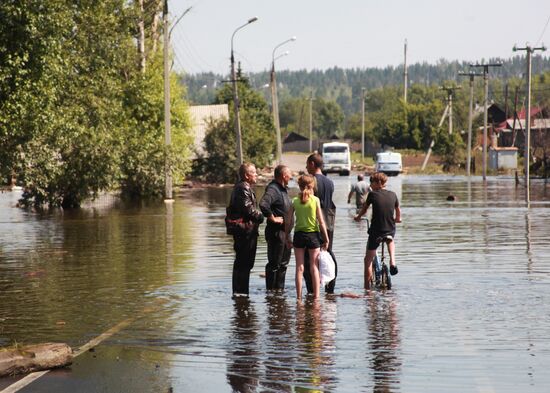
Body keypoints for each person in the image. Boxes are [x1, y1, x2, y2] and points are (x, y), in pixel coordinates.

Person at [354, 172, 401, 289]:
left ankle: (367, 288)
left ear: (378, 183)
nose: (370, 185)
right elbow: (398, 210)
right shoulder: (393, 194)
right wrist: (398, 219)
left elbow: (364, 210)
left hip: (376, 230)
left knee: (368, 259)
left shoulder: (372, 195)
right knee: (390, 239)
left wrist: (358, 217)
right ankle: (393, 262)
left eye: (372, 183)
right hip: (390, 228)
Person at [285, 174, 329, 299]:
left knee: (299, 268)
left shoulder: (294, 201)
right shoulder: (315, 200)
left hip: (299, 235)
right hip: (313, 236)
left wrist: (287, 236)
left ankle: (298, 298)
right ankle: (316, 297)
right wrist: (326, 239)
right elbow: (321, 221)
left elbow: (288, 221)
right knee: (314, 267)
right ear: (312, 186)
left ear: (299, 186)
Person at [227, 162, 264, 296]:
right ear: (247, 175)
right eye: (254, 172)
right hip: (244, 232)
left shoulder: (243, 187)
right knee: (244, 263)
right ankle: (241, 293)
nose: (256, 175)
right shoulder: (243, 188)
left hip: (245, 231)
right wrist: (261, 216)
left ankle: (241, 293)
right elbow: (248, 209)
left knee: (244, 263)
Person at [303, 153, 337, 293]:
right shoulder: (330, 182)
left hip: (314, 222)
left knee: (309, 256)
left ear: (312, 164)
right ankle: (330, 286)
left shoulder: (311, 181)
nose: (306, 167)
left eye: (307, 164)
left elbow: (309, 202)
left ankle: (312, 289)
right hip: (329, 220)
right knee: (327, 252)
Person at [259, 164, 292, 290]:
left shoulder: (283, 189)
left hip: (286, 233)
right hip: (276, 233)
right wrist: (272, 218)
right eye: (289, 175)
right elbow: (263, 204)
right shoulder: (273, 189)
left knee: (283, 265)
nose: (291, 177)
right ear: (284, 176)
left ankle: (279, 293)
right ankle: (271, 294)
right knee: (274, 264)